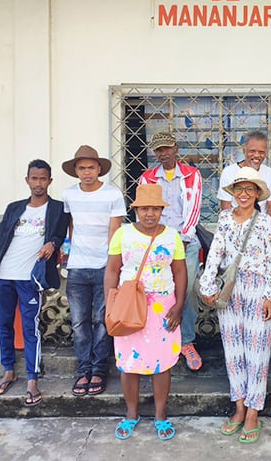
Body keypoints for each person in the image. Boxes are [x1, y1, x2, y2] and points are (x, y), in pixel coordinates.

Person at [198, 167, 271, 445]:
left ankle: (254, 412)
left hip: (257, 289)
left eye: (250, 189)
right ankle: (240, 406)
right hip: (230, 290)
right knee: (234, 351)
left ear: (257, 194)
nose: (244, 194)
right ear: (233, 193)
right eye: (240, 189)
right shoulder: (224, 219)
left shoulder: (266, 222)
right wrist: (208, 287)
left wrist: (269, 295)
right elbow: (215, 255)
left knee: (257, 352)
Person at [104, 183, 187, 441]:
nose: (150, 213)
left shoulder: (171, 236)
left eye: (155, 208)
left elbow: (180, 271)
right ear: (136, 209)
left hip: (163, 309)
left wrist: (179, 305)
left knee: (162, 364)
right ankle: (132, 414)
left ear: (162, 210)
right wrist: (111, 303)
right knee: (129, 364)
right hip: (129, 307)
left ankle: (160, 416)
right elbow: (112, 270)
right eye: (144, 208)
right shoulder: (122, 234)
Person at [0, 159, 69, 407]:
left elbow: (59, 233)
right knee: (5, 324)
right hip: (3, 276)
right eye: (34, 178)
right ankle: (8, 371)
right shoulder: (14, 208)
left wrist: (52, 244)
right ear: (27, 180)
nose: (38, 183)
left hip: (29, 279)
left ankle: (32, 379)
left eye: (43, 179)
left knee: (31, 328)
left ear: (50, 181)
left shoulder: (58, 209)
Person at [62, 145, 127, 397]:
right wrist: (69, 257)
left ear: (99, 169)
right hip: (77, 267)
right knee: (79, 323)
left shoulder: (112, 195)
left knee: (102, 320)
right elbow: (70, 227)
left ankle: (99, 369)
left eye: (91, 167)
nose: (86, 172)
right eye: (81, 168)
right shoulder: (69, 195)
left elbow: (115, 233)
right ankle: (83, 369)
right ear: (75, 171)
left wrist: (113, 267)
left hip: (103, 266)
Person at [139, 132, 204, 371]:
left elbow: (194, 209)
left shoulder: (191, 175)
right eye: (158, 150)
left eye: (167, 148)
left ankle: (186, 341)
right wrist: (158, 241)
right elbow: (146, 212)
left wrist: (182, 239)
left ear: (176, 149)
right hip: (156, 243)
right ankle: (160, 339)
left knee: (186, 292)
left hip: (185, 242)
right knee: (155, 292)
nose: (163, 153)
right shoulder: (147, 178)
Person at [217, 130, 271, 218]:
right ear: (244, 150)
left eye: (261, 152)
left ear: (266, 152)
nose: (257, 155)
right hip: (235, 222)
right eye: (252, 151)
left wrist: (265, 226)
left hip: (262, 223)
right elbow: (226, 206)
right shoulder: (229, 172)